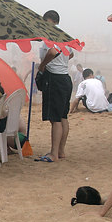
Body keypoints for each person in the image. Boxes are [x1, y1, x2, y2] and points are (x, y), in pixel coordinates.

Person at [37, 10, 74, 162]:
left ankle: (54, 153)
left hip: (55, 79)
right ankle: (60, 151)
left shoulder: (50, 36)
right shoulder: (64, 36)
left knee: (55, 119)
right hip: (65, 78)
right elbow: (71, 53)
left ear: (49, 20)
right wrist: (62, 62)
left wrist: (43, 65)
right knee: (63, 116)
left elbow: (52, 51)